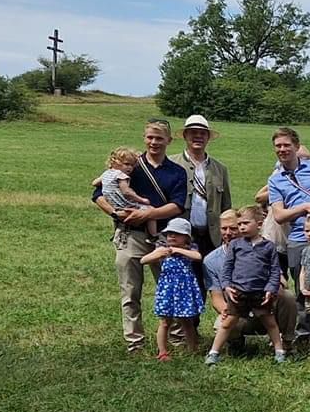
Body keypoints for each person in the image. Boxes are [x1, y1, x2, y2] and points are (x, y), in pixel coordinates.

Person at [100, 118, 188, 354]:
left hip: (164, 237)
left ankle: (177, 339)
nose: (154, 142)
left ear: (169, 141)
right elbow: (99, 193)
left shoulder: (177, 171)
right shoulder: (129, 166)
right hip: (130, 235)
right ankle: (134, 342)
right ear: (144, 138)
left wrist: (150, 213)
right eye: (150, 137)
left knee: (170, 288)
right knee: (130, 291)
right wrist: (116, 213)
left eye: (159, 138)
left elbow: (178, 205)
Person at [265, 127, 310, 351]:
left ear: (296, 146)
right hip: (299, 239)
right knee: (304, 289)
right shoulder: (275, 180)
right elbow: (279, 215)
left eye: (286, 145)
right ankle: (304, 336)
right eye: (278, 146)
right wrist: (303, 207)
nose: (282, 150)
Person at [205, 209, 287, 366]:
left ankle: (279, 351)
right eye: (240, 224)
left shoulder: (268, 247)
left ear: (259, 224)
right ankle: (213, 353)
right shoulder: (236, 245)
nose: (241, 227)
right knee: (228, 322)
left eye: (245, 223)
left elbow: (275, 270)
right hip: (239, 292)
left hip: (260, 293)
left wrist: (270, 288)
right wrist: (227, 286)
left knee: (270, 322)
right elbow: (227, 268)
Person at [141, 218, 205, 360]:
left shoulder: (191, 248)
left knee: (187, 321)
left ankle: (192, 349)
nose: (172, 236)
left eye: (177, 234)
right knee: (165, 322)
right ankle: (162, 351)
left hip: (184, 290)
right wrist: (158, 254)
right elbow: (143, 260)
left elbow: (198, 256)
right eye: (169, 234)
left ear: (186, 237)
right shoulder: (162, 248)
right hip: (168, 290)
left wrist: (178, 250)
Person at [175, 115, 234, 250]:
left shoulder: (220, 169)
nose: (198, 136)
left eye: (202, 133)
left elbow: (226, 206)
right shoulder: (172, 163)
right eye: (193, 133)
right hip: (181, 236)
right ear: (185, 135)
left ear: (208, 138)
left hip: (212, 237)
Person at [97, 149, 152, 220]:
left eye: (132, 165)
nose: (130, 167)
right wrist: (142, 200)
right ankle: (153, 231)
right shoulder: (121, 176)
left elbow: (94, 183)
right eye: (126, 164)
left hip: (114, 205)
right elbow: (126, 192)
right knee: (151, 212)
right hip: (126, 205)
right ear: (116, 163)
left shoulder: (106, 173)